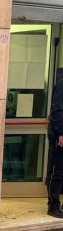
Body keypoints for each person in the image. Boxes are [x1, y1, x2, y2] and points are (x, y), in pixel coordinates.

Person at [47, 68, 63, 218]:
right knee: (57, 171)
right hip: (59, 135)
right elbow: (57, 110)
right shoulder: (61, 83)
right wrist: (60, 133)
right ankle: (53, 205)